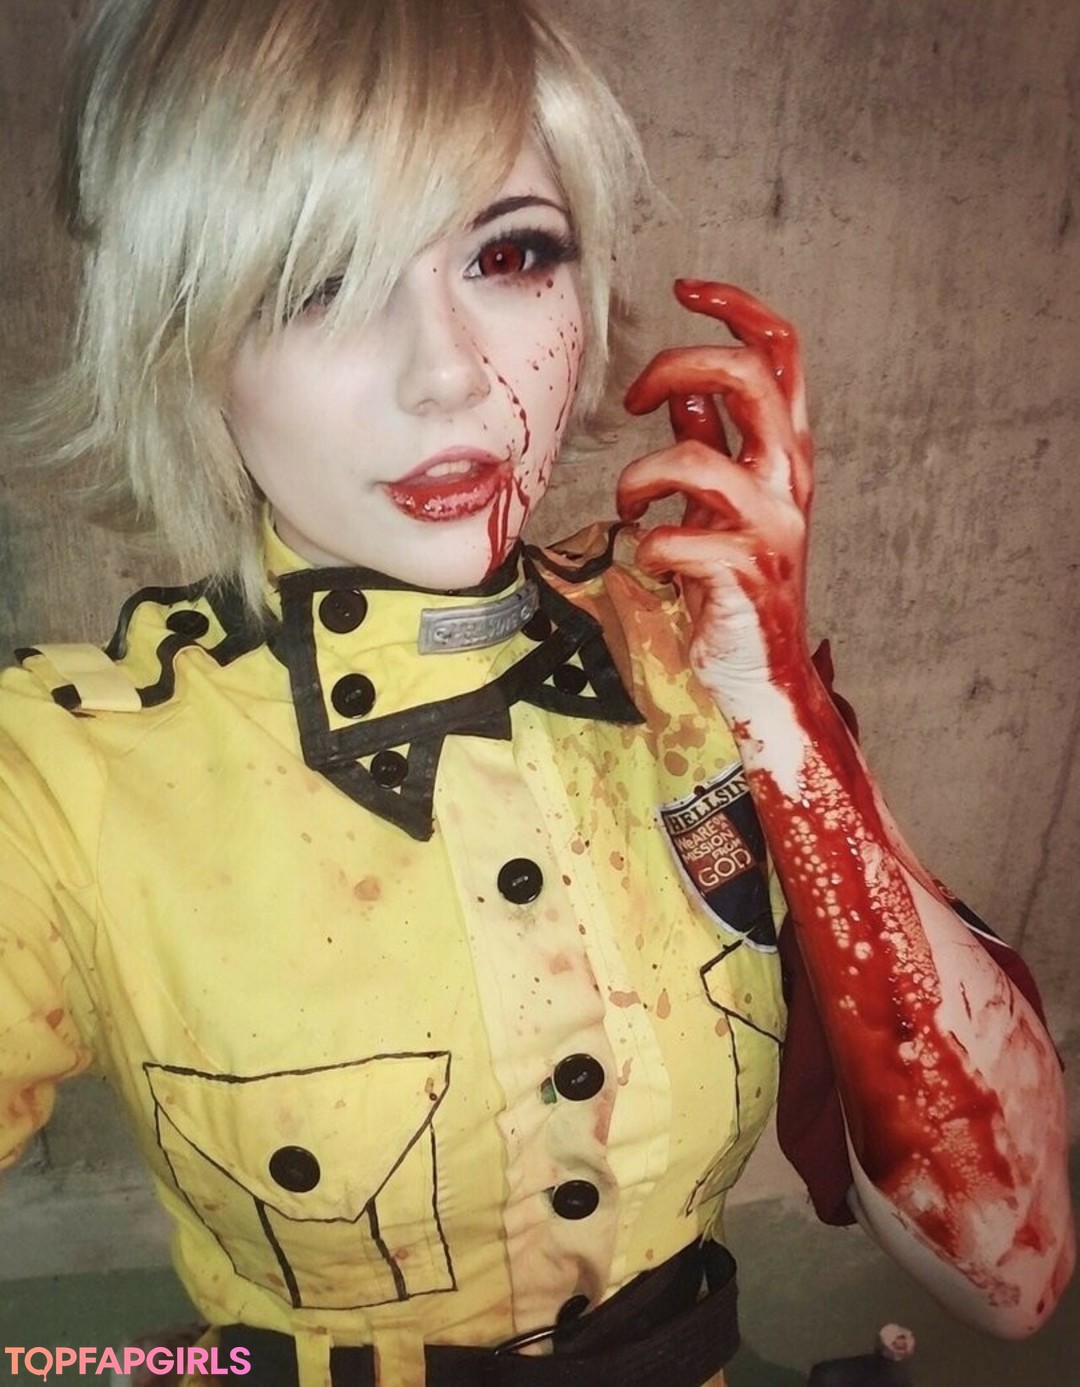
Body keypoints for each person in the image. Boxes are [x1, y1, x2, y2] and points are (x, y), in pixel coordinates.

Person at [1, 2, 1073, 1385]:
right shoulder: (62, 781)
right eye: (317, 279)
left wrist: (785, 718)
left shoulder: (698, 657)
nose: (449, 374)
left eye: (508, 255)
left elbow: (1011, 1270)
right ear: (181, 337)